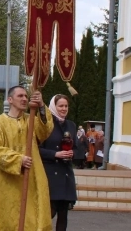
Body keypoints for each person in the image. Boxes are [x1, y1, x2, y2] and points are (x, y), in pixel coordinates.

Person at [0, 86, 54, 230]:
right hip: (7, 181)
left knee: (31, 219)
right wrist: (19, 160)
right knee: (7, 221)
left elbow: (45, 131)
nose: (24, 99)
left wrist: (41, 106)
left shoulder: (31, 120)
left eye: (26, 96)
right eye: (20, 96)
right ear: (10, 100)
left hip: (31, 177)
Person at [39, 94, 78, 231]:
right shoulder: (46, 125)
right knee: (49, 212)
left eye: (66, 106)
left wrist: (73, 153)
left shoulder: (71, 125)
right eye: (60, 106)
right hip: (50, 174)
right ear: (53, 107)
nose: (64, 109)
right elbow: (37, 149)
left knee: (63, 214)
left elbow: (78, 148)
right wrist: (55, 154)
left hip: (66, 173)